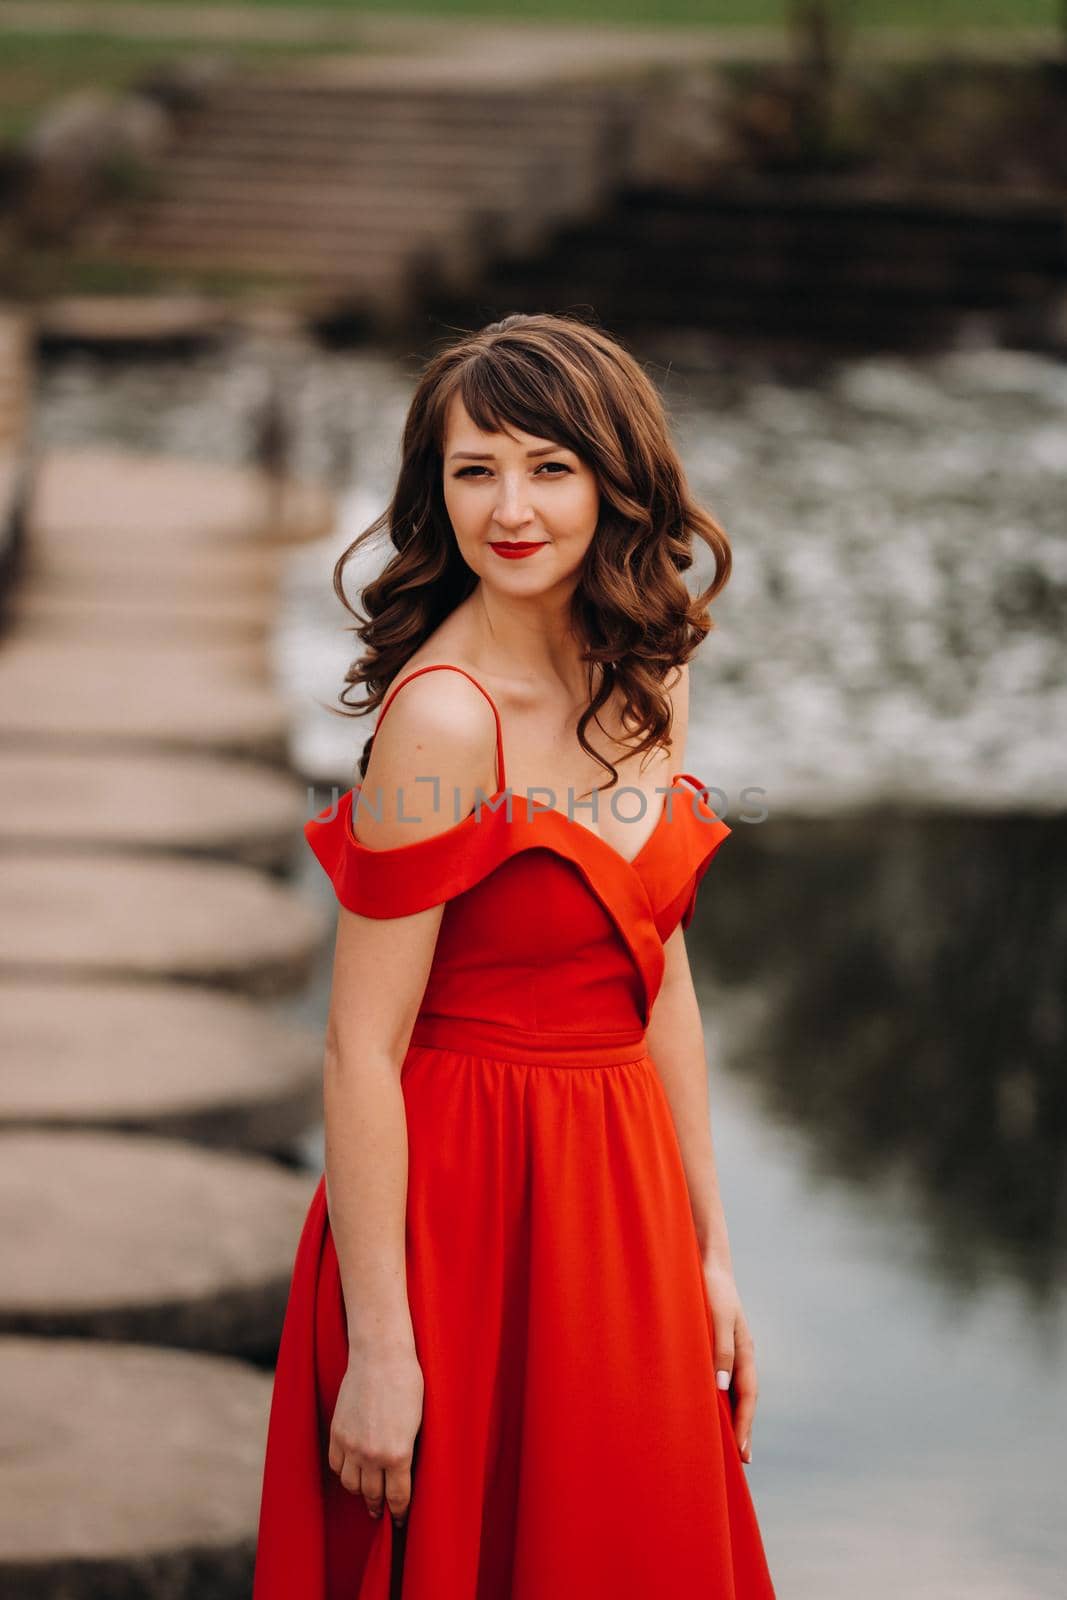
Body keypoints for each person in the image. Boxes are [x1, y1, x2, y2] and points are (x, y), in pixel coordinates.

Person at [253, 312, 776, 1598]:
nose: (510, 507)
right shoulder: (441, 717)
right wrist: (381, 1344)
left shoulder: (649, 671)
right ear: (434, 491)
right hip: (457, 1214)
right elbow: (356, 1049)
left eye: (548, 466)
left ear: (612, 477)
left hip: (621, 1208)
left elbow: (659, 980)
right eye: (472, 468)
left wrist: (709, 1252)